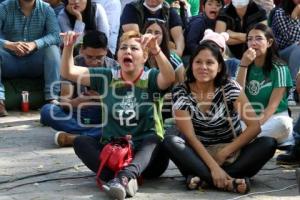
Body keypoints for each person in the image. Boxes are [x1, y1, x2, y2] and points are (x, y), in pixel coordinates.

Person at [61, 30, 175, 200]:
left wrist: (156, 50)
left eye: (134, 48)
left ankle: (123, 177)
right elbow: (68, 71)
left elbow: (169, 77)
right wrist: (68, 47)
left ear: (144, 57)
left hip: (149, 160)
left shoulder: (150, 77)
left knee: (155, 139)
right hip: (115, 155)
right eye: (123, 47)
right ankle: (124, 179)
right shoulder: (106, 77)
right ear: (118, 55)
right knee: (80, 142)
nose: (128, 51)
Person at [163, 41, 277, 194]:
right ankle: (229, 182)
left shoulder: (230, 87)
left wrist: (223, 153)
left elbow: (254, 127)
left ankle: (202, 179)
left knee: (268, 143)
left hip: (232, 153)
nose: (203, 67)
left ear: (220, 67)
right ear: (191, 65)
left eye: (210, 62)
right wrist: (214, 167)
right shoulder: (181, 91)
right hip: (198, 155)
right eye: (198, 62)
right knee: (171, 141)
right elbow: (190, 137)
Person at [40, 31, 117, 147]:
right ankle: (94, 135)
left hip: (103, 115)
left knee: (123, 122)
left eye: (100, 57)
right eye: (90, 57)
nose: (95, 62)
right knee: (47, 110)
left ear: (106, 51)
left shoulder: (115, 67)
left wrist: (103, 99)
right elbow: (64, 100)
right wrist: (75, 102)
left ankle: (76, 136)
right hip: (78, 114)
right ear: (82, 50)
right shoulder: (72, 64)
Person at [236, 23, 294, 147]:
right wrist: (243, 65)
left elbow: (272, 107)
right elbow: (237, 96)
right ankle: (248, 141)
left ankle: (243, 141)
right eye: (249, 39)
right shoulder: (243, 65)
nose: (253, 43)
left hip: (274, 118)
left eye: (258, 38)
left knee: (283, 124)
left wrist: (252, 130)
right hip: (249, 120)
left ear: (269, 42)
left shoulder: (280, 68)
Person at [0, 0, 61, 117]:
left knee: (52, 49)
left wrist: (35, 44)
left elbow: (55, 35)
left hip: (34, 60)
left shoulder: (46, 9)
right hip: (9, 60)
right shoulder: (4, 7)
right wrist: (8, 44)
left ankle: (52, 98)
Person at [120, 0, 185, 57]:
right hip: (136, 58)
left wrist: (177, 53)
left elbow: (179, 40)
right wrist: (166, 46)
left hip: (164, 58)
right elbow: (134, 39)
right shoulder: (132, 8)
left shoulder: (170, 11)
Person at [271, 0, 300, 98]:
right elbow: (292, 37)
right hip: (281, 52)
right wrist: (294, 16)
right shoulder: (280, 13)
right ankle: (291, 88)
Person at [143, 19, 185, 83]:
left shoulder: (173, 58)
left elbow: (183, 82)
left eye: (157, 33)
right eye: (149, 32)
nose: (152, 36)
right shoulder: (137, 56)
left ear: (163, 37)